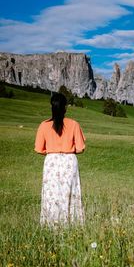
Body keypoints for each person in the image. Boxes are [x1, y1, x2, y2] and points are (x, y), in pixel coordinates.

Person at [34, 93, 85, 226]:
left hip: (51, 161)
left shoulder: (44, 125)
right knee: (70, 192)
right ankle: (72, 223)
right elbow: (80, 148)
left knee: (52, 194)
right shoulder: (74, 124)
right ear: (65, 107)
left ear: (52, 107)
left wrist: (52, 151)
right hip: (69, 160)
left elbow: (39, 149)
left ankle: (51, 223)